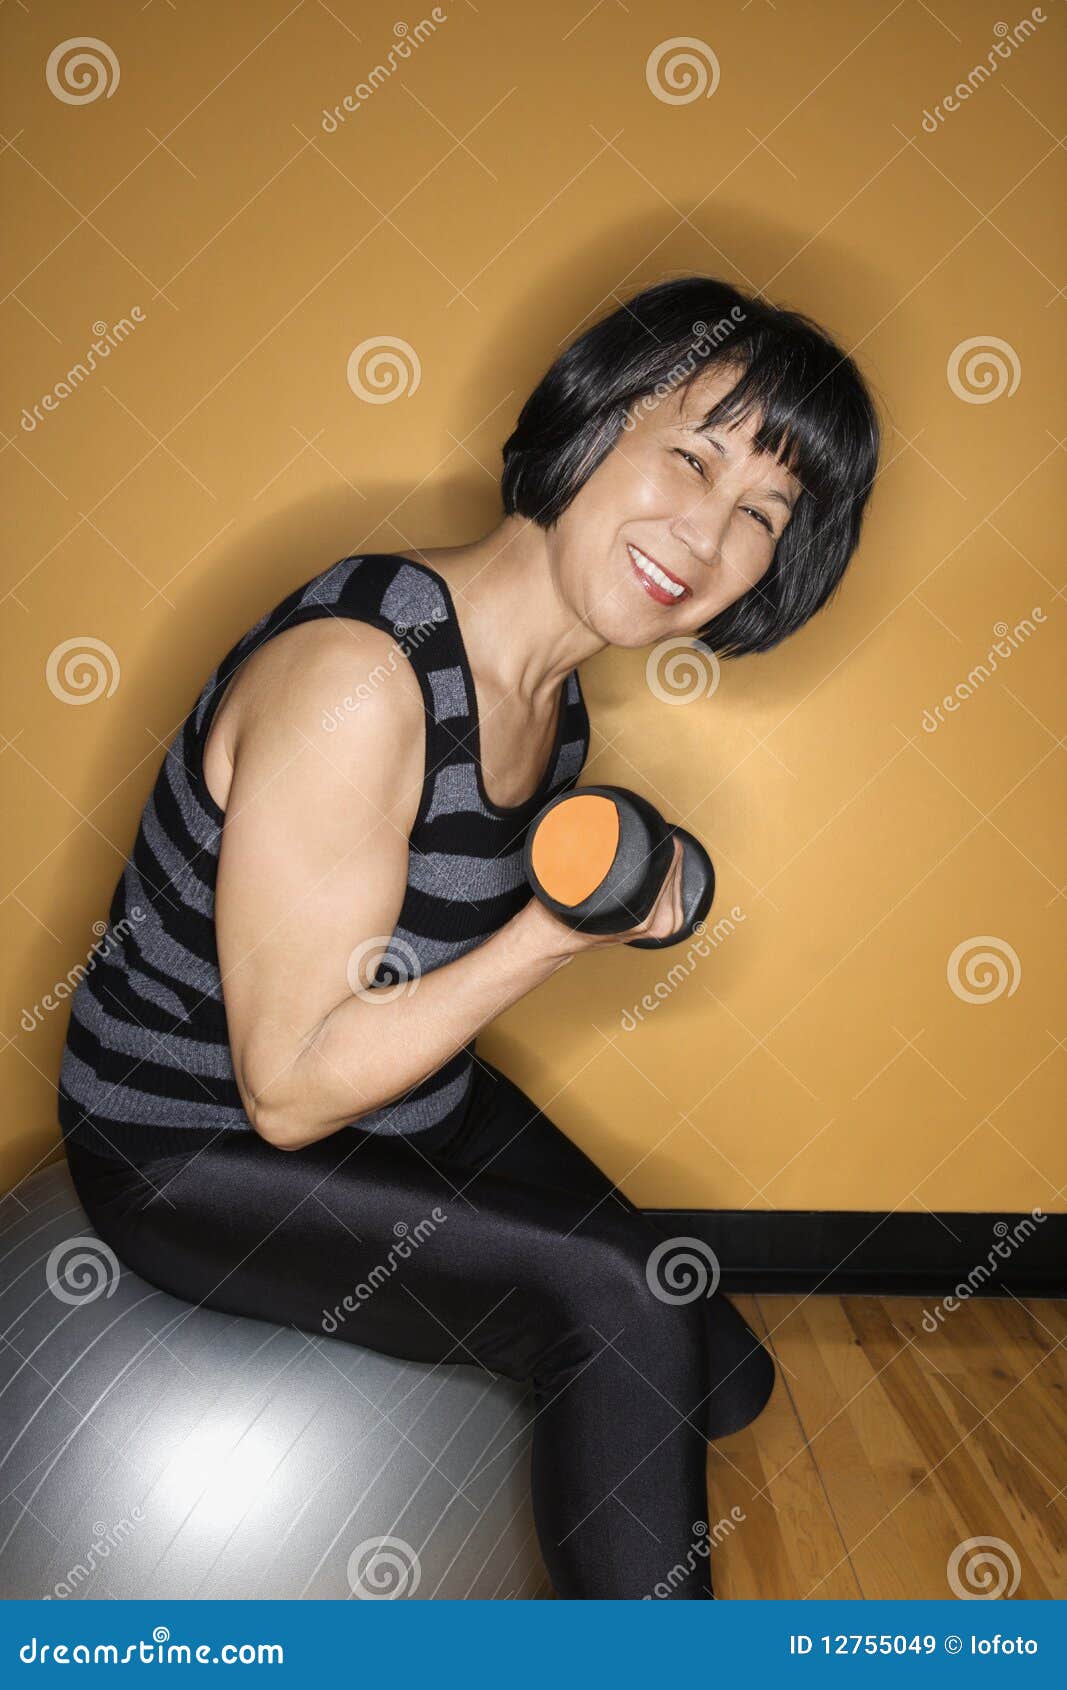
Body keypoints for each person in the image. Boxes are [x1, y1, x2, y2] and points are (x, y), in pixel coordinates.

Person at [58, 274, 881, 1599]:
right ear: (594, 420)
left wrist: (623, 885)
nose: (707, 532)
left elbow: (424, 953)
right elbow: (288, 1086)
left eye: (761, 517)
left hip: (397, 1100)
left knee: (722, 1365)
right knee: (623, 1302)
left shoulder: (553, 710)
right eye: (691, 454)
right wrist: (557, 934)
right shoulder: (360, 680)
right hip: (189, 1139)